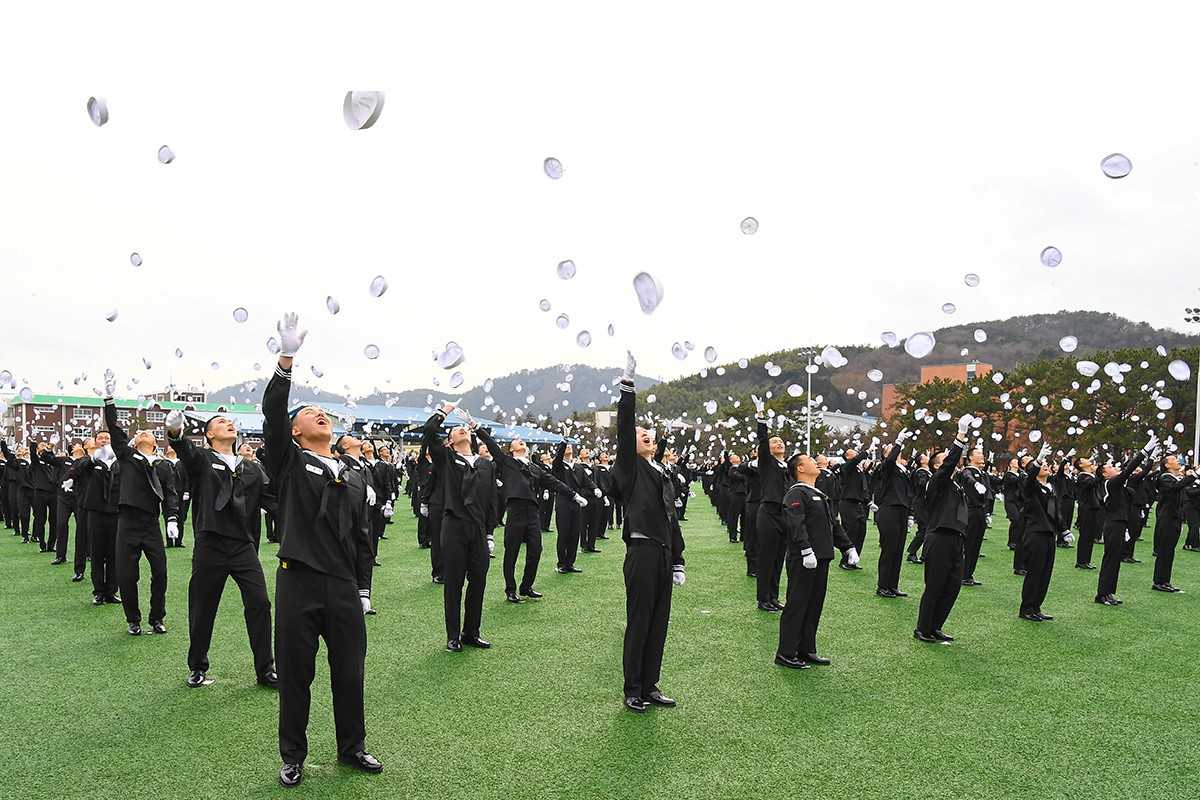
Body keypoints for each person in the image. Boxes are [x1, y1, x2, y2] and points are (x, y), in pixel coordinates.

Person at [261, 313, 381, 788]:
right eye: (308, 413)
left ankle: (352, 748)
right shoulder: (288, 461)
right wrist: (287, 360)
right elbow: (274, 411)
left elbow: (360, 535)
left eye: (322, 412)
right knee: (296, 676)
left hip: (342, 586)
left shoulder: (353, 472)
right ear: (294, 432)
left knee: (349, 673)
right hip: (298, 581)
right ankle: (293, 755)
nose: (319, 414)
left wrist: (364, 587)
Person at [167, 410, 277, 688]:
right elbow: (186, 452)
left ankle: (266, 670)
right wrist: (176, 434)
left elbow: (274, 501)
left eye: (229, 422)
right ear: (209, 435)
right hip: (211, 544)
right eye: (219, 423)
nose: (228, 424)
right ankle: (197, 667)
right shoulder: (202, 460)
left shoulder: (251, 467)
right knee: (203, 607)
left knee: (260, 603)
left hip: (243, 547)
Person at [612, 352, 685, 713]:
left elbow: (671, 517)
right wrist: (628, 388)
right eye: (643, 435)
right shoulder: (629, 469)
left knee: (659, 622)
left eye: (651, 436)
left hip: (663, 554)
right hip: (640, 552)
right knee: (639, 621)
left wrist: (678, 559)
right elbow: (625, 429)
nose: (648, 438)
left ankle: (651, 684)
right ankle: (633, 688)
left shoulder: (661, 472)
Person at [476, 426, 584, 602]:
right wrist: (476, 427)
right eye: (516, 441)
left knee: (536, 550)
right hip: (516, 510)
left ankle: (526, 586)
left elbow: (554, 482)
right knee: (512, 551)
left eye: (522, 440)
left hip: (533, 512)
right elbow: (491, 443)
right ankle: (510, 589)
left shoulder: (535, 467)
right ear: (511, 449)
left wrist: (573, 495)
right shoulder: (506, 461)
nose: (521, 440)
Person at [103, 387, 177, 635]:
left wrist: (173, 519)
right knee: (126, 574)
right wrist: (109, 401)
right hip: (127, 522)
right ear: (135, 442)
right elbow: (114, 430)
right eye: (140, 432)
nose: (145, 433)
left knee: (161, 572)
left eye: (150, 432)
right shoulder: (127, 456)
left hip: (151, 523)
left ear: (156, 442)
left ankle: (157, 617)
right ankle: (133, 619)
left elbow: (171, 494)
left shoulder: (163, 465)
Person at [775, 452, 859, 668]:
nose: (815, 462)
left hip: (821, 557)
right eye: (810, 460)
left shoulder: (818, 493)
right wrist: (805, 549)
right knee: (797, 603)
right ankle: (785, 652)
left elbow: (833, 524)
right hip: (804, 558)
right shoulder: (796, 493)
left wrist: (847, 546)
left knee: (814, 604)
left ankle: (806, 649)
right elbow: (795, 523)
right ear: (800, 468)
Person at [421, 402, 494, 651]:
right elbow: (429, 432)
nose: (461, 430)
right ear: (450, 442)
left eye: (465, 428)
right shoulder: (446, 459)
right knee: (454, 583)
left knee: (479, 582)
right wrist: (444, 412)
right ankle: (453, 635)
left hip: (478, 530)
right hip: (453, 526)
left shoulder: (485, 464)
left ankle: (471, 632)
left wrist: (490, 532)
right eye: (457, 430)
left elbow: (491, 499)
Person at [914, 415, 974, 644]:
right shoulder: (937, 481)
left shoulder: (956, 484)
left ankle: (935, 626)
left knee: (952, 586)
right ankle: (922, 628)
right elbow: (950, 462)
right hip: (938, 537)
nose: (952, 462)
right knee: (935, 585)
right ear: (937, 466)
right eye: (945, 460)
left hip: (957, 538)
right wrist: (960, 436)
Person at [1095, 433, 1156, 606]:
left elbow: (1137, 477)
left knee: (1115, 561)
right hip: (1113, 525)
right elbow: (1129, 469)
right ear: (1106, 475)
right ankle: (1102, 594)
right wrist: (1144, 450)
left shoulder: (1120, 486)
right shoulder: (1111, 484)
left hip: (1120, 525)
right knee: (1110, 559)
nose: (1114, 467)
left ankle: (1109, 592)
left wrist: (1150, 459)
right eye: (1110, 467)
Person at [70, 430, 120, 606]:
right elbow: (74, 471)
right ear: (95, 441)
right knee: (97, 553)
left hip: (116, 512)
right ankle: (99, 591)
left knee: (114, 553)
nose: (104, 440)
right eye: (100, 438)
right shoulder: (88, 460)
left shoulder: (118, 459)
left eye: (107, 437)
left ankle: (112, 591)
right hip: (95, 511)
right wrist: (91, 459)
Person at [1018, 444, 1063, 621]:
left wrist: (1063, 530)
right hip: (1036, 533)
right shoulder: (1031, 488)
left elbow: (1055, 512)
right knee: (1035, 572)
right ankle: (1026, 608)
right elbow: (1029, 480)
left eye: (1045, 464)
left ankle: (1036, 606)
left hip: (1049, 534)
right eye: (1040, 465)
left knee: (1045, 573)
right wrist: (1036, 460)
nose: (1045, 465)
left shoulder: (1051, 487)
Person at [753, 400, 788, 611]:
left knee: (778, 558)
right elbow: (762, 440)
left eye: (781, 441)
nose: (779, 443)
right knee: (766, 557)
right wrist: (761, 418)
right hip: (768, 513)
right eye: (775, 442)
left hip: (785, 513)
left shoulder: (788, 465)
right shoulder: (767, 462)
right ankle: (763, 598)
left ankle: (773, 596)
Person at [873, 431, 914, 598]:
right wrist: (897, 441)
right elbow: (890, 460)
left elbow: (909, 492)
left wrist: (911, 514)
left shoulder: (902, 469)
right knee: (889, 549)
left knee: (898, 550)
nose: (896, 451)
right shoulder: (886, 467)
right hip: (889, 509)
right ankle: (882, 586)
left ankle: (893, 585)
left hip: (902, 510)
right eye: (891, 449)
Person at [1150, 454, 1196, 592]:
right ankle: (1158, 581)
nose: (1178, 461)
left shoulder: (1175, 478)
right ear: (1167, 465)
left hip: (1174, 518)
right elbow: (1175, 487)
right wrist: (1194, 474)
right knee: (1164, 551)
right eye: (1174, 460)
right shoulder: (1165, 477)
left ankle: (1165, 581)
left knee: (1169, 551)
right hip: (1166, 519)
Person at [957, 446, 991, 586]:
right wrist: (975, 484)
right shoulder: (968, 471)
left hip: (980, 511)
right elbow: (967, 477)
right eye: (978, 453)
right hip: (970, 510)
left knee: (976, 544)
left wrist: (987, 512)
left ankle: (968, 574)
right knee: (968, 543)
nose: (981, 455)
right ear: (970, 457)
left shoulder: (982, 473)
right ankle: (962, 574)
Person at [52, 442, 86, 568]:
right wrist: (50, 447)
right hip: (64, 498)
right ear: (71, 450)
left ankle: (87, 553)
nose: (78, 446)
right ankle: (60, 556)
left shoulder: (87, 460)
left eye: (80, 444)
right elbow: (48, 459)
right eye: (76, 445)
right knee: (61, 524)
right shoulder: (64, 460)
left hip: (79, 498)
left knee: (82, 527)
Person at [837, 446, 870, 569]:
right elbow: (857, 459)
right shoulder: (846, 467)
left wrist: (868, 501)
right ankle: (845, 560)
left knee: (861, 531)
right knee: (851, 532)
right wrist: (868, 450)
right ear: (847, 457)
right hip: (847, 503)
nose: (856, 454)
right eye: (853, 453)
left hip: (858, 504)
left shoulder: (858, 469)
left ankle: (854, 560)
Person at [1073, 457, 1102, 569]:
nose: (1088, 460)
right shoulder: (1082, 477)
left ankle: (1086, 560)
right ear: (1081, 465)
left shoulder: (1089, 476)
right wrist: (1097, 472)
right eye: (1084, 459)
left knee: (1090, 536)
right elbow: (1092, 483)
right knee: (1085, 535)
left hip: (1093, 508)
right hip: (1086, 509)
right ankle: (1081, 561)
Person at [905, 452, 932, 564]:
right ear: (921, 461)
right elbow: (922, 484)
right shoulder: (921, 472)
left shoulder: (927, 471)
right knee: (924, 529)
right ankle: (912, 552)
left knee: (926, 529)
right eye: (925, 456)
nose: (927, 456)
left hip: (925, 503)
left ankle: (924, 554)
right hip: (921, 503)